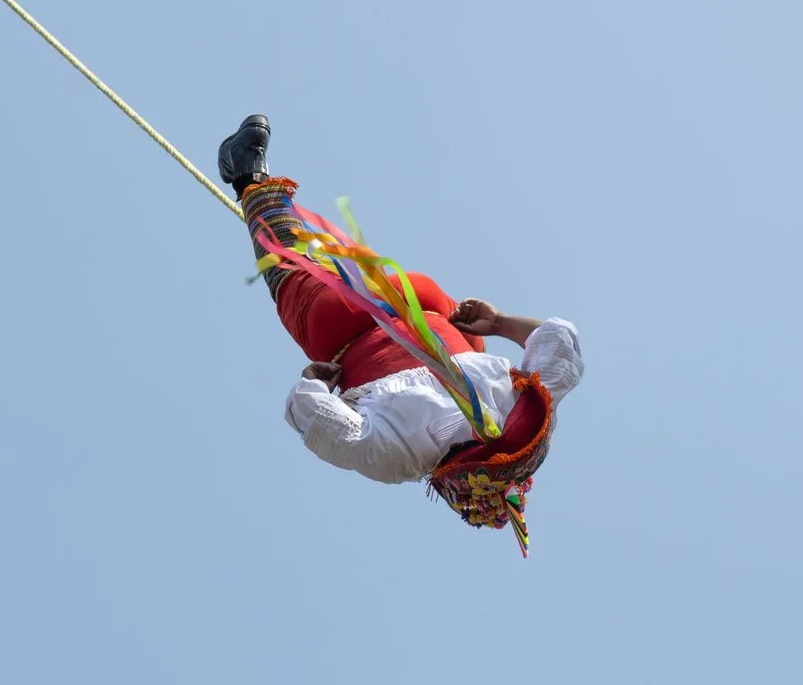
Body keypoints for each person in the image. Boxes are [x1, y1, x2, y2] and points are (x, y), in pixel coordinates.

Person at [218, 113, 582, 547]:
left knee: (300, 261)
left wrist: (501, 324)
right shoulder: (405, 456)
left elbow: (560, 341)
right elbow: (317, 420)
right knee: (295, 263)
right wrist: (312, 384)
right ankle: (247, 179)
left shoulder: (512, 415)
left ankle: (249, 179)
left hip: (408, 312)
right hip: (387, 321)